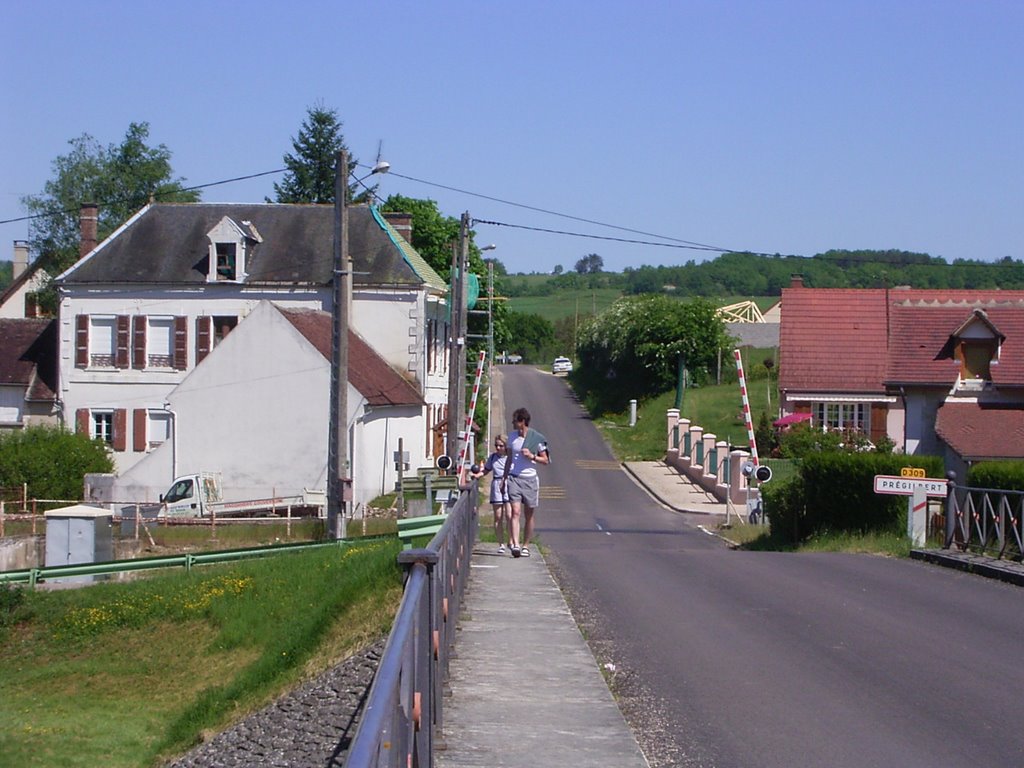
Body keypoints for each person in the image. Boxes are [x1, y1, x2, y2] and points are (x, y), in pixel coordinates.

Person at [502, 407, 549, 558]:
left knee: (529, 514)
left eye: (515, 421)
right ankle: (515, 544)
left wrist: (532, 456)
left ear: (522, 422)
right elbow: (509, 459)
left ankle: (526, 545)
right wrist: (504, 477)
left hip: (530, 479)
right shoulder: (511, 437)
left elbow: (546, 460)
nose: (513, 423)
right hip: (514, 478)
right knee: (515, 512)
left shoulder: (536, 438)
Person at [471, 435, 514, 554]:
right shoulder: (493, 457)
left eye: (501, 445)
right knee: (498, 516)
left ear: (506, 446)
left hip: (509, 483)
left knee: (510, 515)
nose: (498, 448)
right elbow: (486, 470)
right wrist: (477, 475)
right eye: (496, 445)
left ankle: (511, 540)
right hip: (496, 484)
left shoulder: (511, 457)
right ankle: (501, 544)